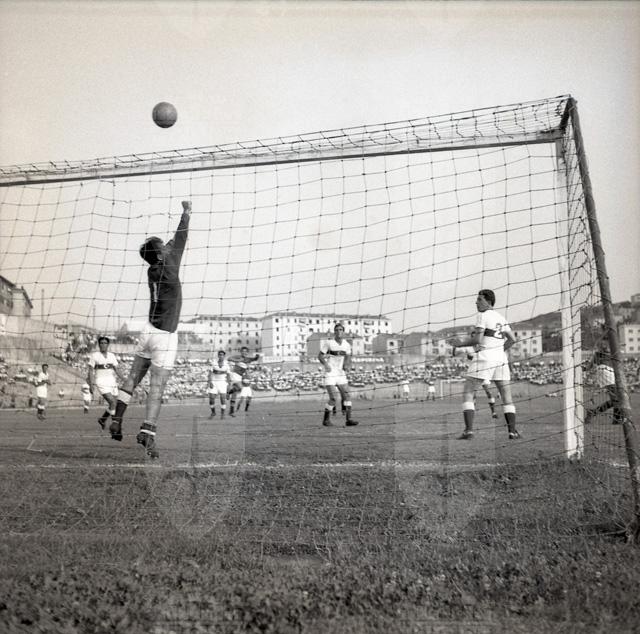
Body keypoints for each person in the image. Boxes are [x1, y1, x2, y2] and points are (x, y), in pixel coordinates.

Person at [110, 200, 192, 458]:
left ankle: (117, 419)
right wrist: (186, 213)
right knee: (157, 386)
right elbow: (180, 238)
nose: (167, 247)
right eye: (162, 246)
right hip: (165, 335)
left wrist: (165, 243)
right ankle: (148, 432)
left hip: (147, 329)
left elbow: (171, 244)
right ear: (159, 254)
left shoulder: (153, 270)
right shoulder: (169, 265)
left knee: (133, 377)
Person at [449, 289, 520, 440]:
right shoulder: (501, 318)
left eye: (479, 299)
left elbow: (477, 340)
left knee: (468, 392)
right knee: (506, 396)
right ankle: (512, 432)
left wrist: (460, 343)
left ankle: (468, 431)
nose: (476, 302)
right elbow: (513, 339)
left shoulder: (483, 315)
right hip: (501, 360)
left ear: (488, 301)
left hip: (485, 358)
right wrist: (499, 350)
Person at [318, 322, 359, 427]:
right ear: (334, 332)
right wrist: (326, 364)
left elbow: (348, 357)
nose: (338, 332)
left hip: (341, 374)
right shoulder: (329, 343)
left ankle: (349, 420)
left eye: (340, 330)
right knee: (333, 398)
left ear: (343, 332)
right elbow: (320, 356)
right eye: (336, 330)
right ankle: (326, 420)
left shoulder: (347, 345)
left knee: (347, 396)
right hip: (330, 373)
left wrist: (346, 365)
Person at [584, 326, 622, 425]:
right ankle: (616, 419)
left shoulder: (605, 343)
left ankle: (614, 418)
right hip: (605, 371)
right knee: (617, 398)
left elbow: (590, 365)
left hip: (609, 371)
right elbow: (604, 350)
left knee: (616, 399)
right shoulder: (606, 342)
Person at [87, 335, 122, 430]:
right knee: (112, 402)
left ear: (108, 345)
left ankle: (102, 419)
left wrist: (125, 379)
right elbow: (90, 371)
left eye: (105, 343)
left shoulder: (112, 356)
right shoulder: (94, 355)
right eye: (101, 343)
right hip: (101, 381)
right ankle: (115, 426)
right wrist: (91, 384)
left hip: (112, 381)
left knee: (114, 404)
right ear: (98, 345)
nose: (103, 345)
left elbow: (117, 369)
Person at [227, 346, 261, 417]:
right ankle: (229, 392)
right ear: (241, 352)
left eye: (245, 351)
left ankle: (231, 411)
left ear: (247, 352)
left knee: (234, 394)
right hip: (235, 374)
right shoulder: (238, 357)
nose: (244, 352)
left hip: (239, 376)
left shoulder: (248, 359)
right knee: (240, 388)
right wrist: (238, 360)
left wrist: (257, 356)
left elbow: (254, 359)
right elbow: (229, 358)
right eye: (243, 351)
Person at [207, 350, 231, 419]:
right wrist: (210, 382)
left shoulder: (227, 364)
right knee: (211, 399)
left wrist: (229, 385)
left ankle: (222, 414)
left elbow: (228, 375)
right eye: (220, 355)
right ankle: (213, 412)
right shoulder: (214, 363)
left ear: (224, 356)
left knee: (223, 399)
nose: (221, 356)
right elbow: (210, 373)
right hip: (214, 382)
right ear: (218, 356)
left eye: (222, 355)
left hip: (222, 383)